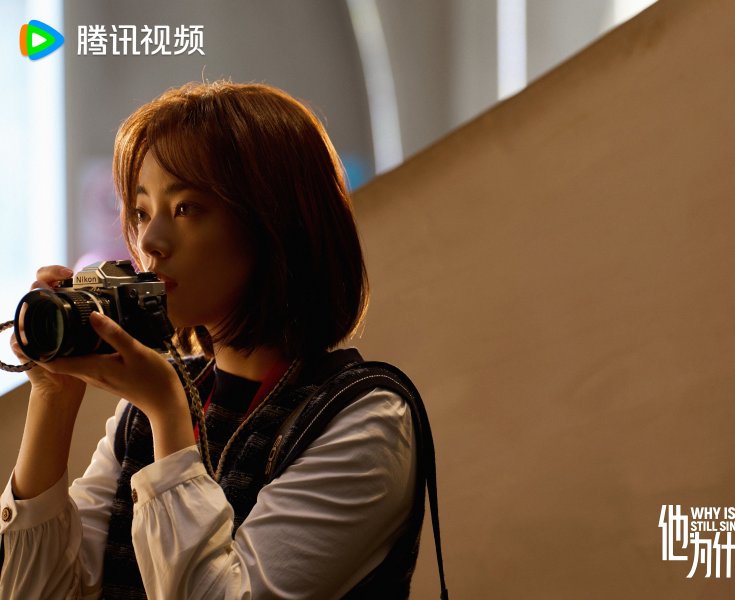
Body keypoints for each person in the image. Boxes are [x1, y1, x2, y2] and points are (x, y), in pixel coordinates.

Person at [0, 81, 427, 599]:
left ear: (273, 224)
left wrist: (168, 413)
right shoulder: (146, 408)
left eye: (185, 209)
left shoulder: (366, 419)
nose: (149, 242)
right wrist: (53, 395)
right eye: (141, 211)